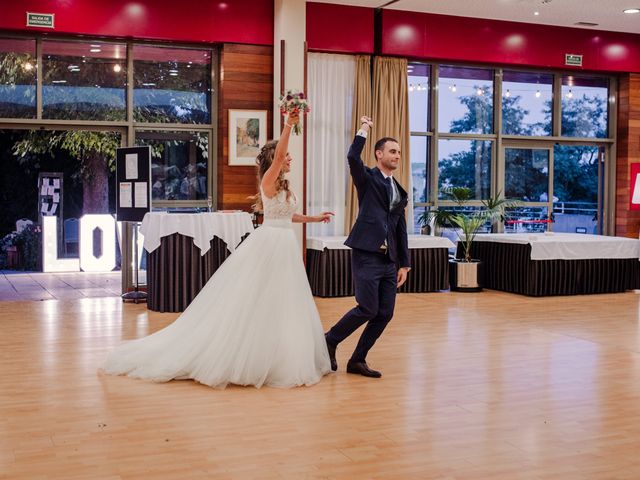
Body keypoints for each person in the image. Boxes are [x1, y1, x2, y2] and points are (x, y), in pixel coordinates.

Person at [102, 112, 334, 388]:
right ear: (276, 159)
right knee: (259, 299)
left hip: (283, 244)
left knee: (279, 301)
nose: (291, 158)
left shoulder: (283, 186)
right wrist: (288, 124)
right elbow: (282, 151)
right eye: (287, 155)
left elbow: (287, 216)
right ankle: (248, 355)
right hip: (270, 245)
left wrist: (314, 218)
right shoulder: (269, 180)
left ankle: (273, 354)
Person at [325, 116, 410, 379]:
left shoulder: (399, 190)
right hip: (367, 254)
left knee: (384, 313)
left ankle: (358, 360)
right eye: (392, 151)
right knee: (367, 308)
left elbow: (400, 228)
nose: (397, 155)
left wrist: (404, 263)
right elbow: (352, 158)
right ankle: (330, 339)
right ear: (379, 154)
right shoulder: (368, 179)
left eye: (399, 152)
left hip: (389, 261)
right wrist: (363, 129)